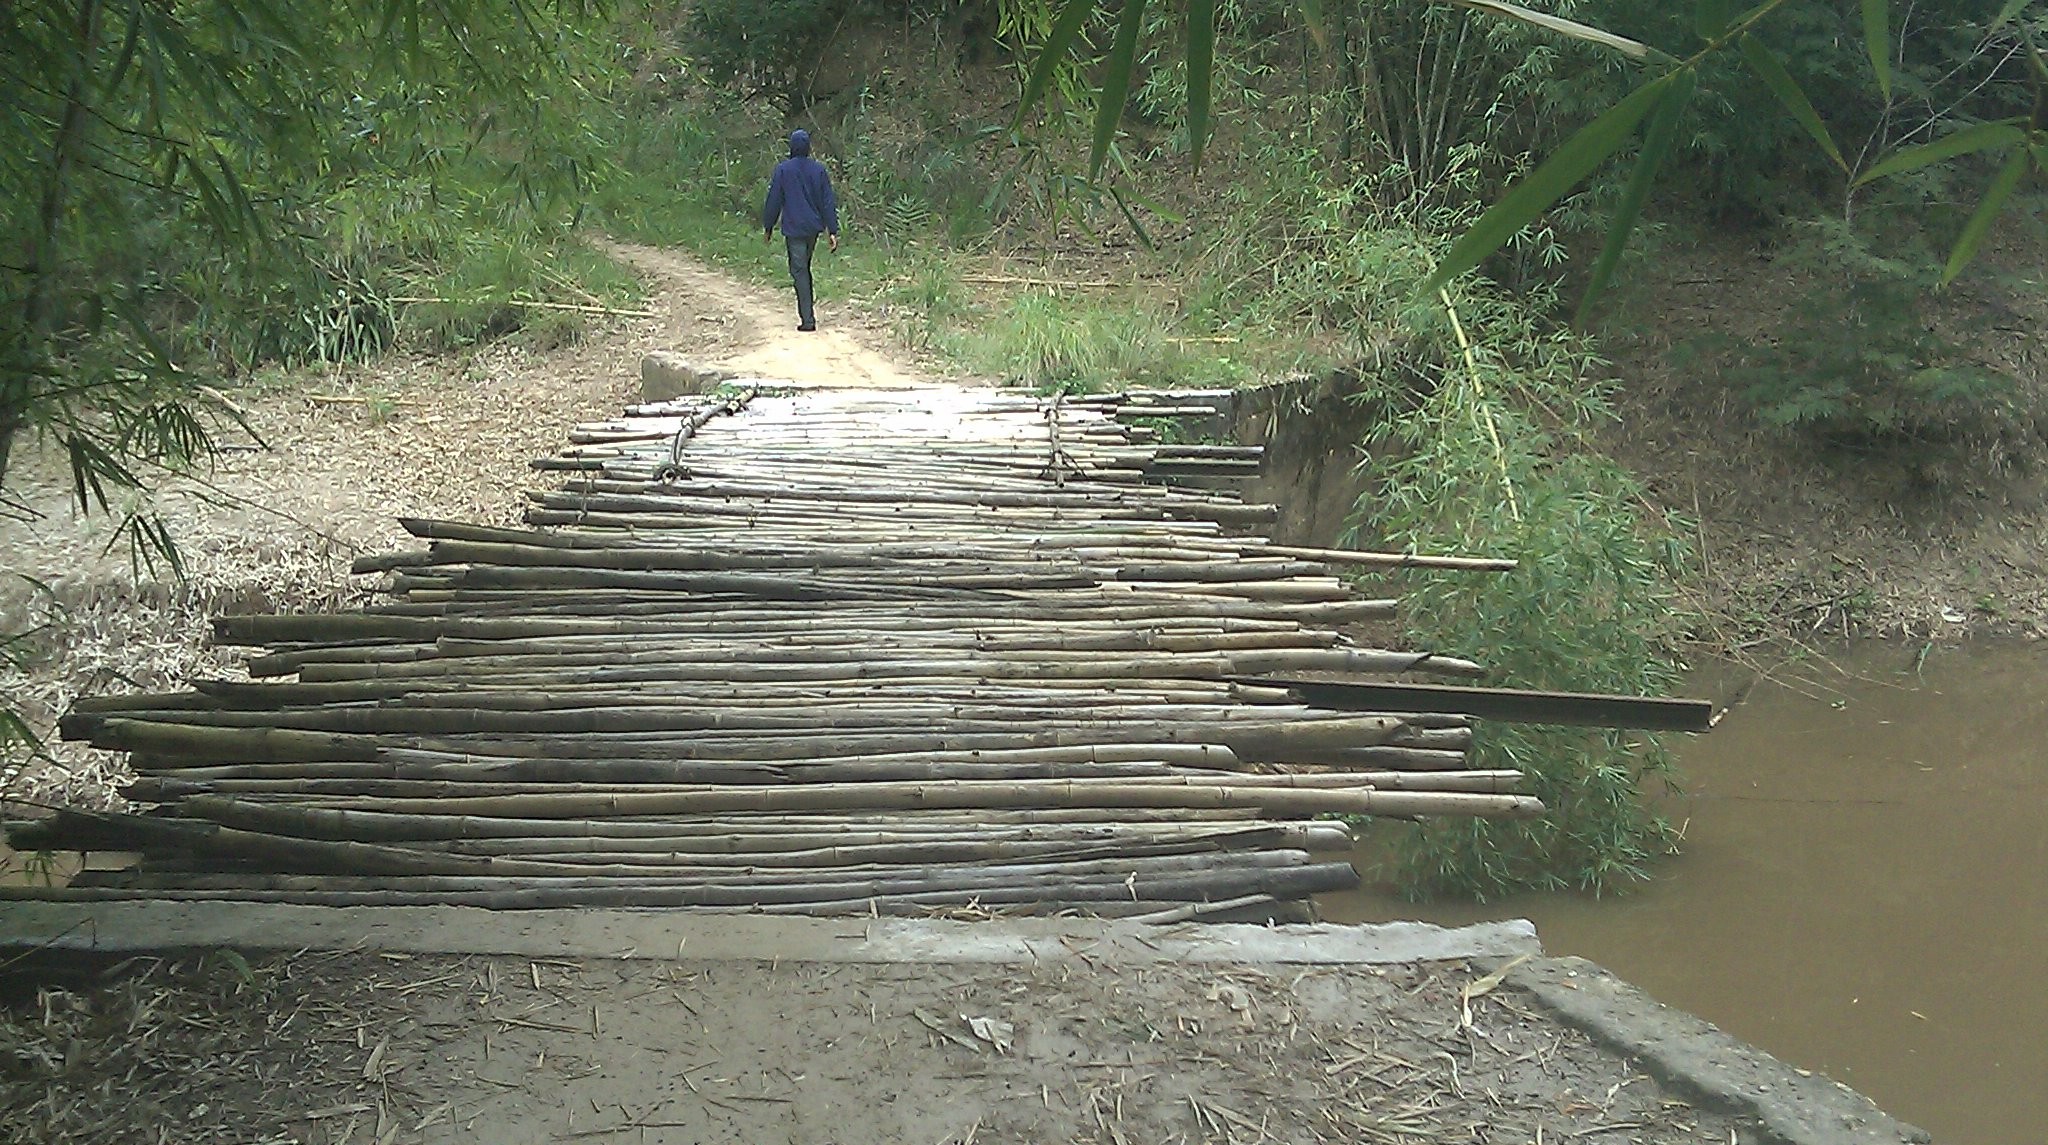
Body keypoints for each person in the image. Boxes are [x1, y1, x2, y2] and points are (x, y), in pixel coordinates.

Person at [761, 129, 840, 332]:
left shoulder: (783, 170)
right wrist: (832, 230)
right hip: (813, 228)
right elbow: (827, 201)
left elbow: (774, 200)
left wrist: (768, 226)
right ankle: (808, 312)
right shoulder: (818, 170)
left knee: (799, 270)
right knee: (804, 267)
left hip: (794, 228)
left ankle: (808, 319)